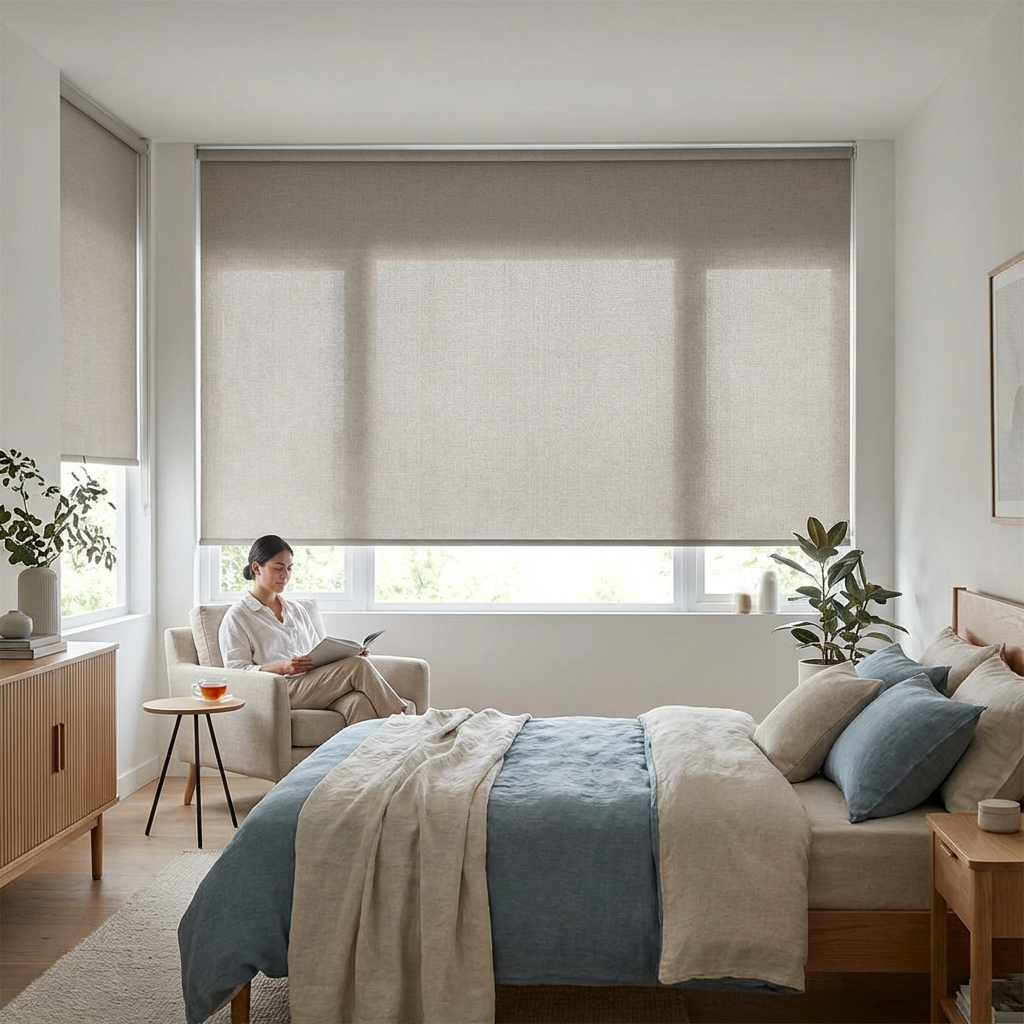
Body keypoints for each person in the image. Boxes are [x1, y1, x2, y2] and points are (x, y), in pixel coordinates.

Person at [218, 535, 412, 725]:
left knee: (358, 702)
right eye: (278, 568)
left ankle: (369, 757)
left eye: (289, 568)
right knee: (358, 667)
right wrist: (282, 666)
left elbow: (317, 652)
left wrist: (348, 654)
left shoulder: (297, 610)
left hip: (312, 684)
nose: (285, 575)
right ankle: (407, 723)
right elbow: (236, 671)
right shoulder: (238, 616)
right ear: (256, 568)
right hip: (278, 689)